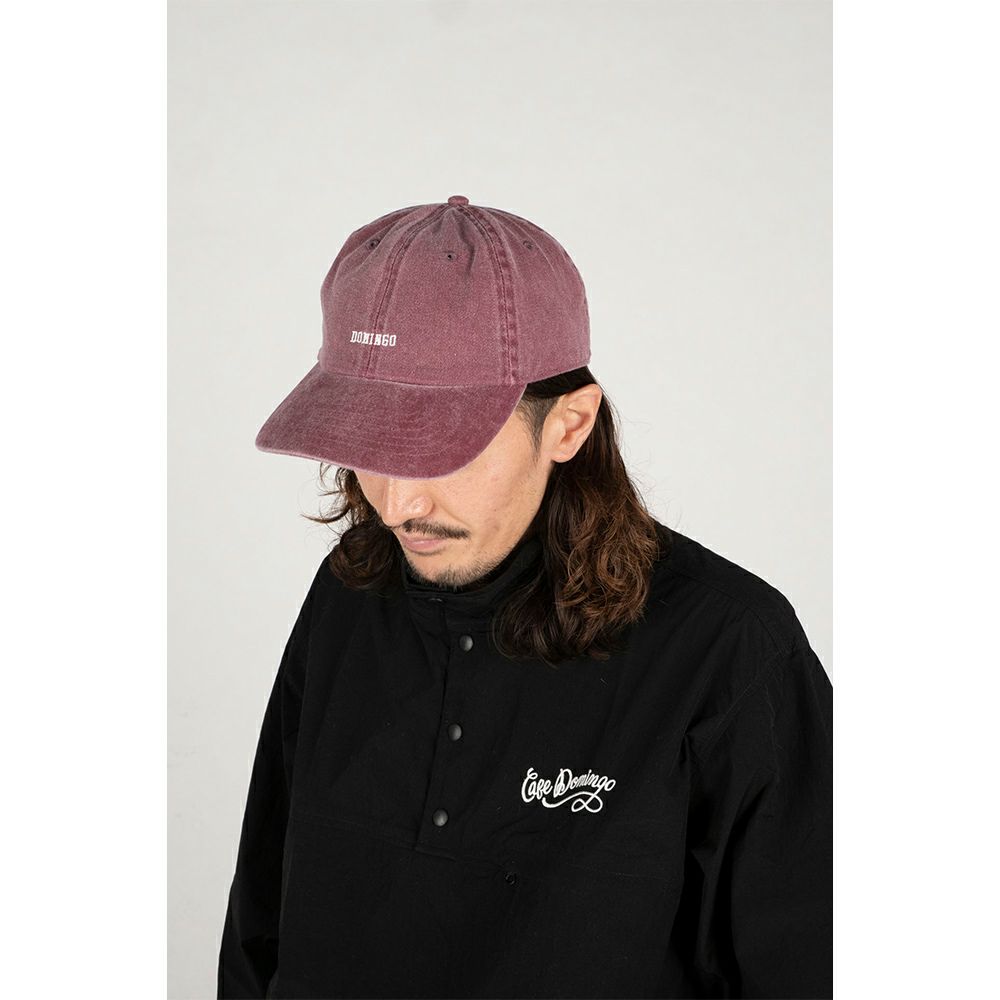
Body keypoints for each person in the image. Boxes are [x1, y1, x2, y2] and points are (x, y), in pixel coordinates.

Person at [217, 195, 833, 999]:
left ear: (568, 425)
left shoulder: (730, 649)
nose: (398, 504)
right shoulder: (349, 592)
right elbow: (261, 927)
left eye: (443, 450)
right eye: (369, 445)